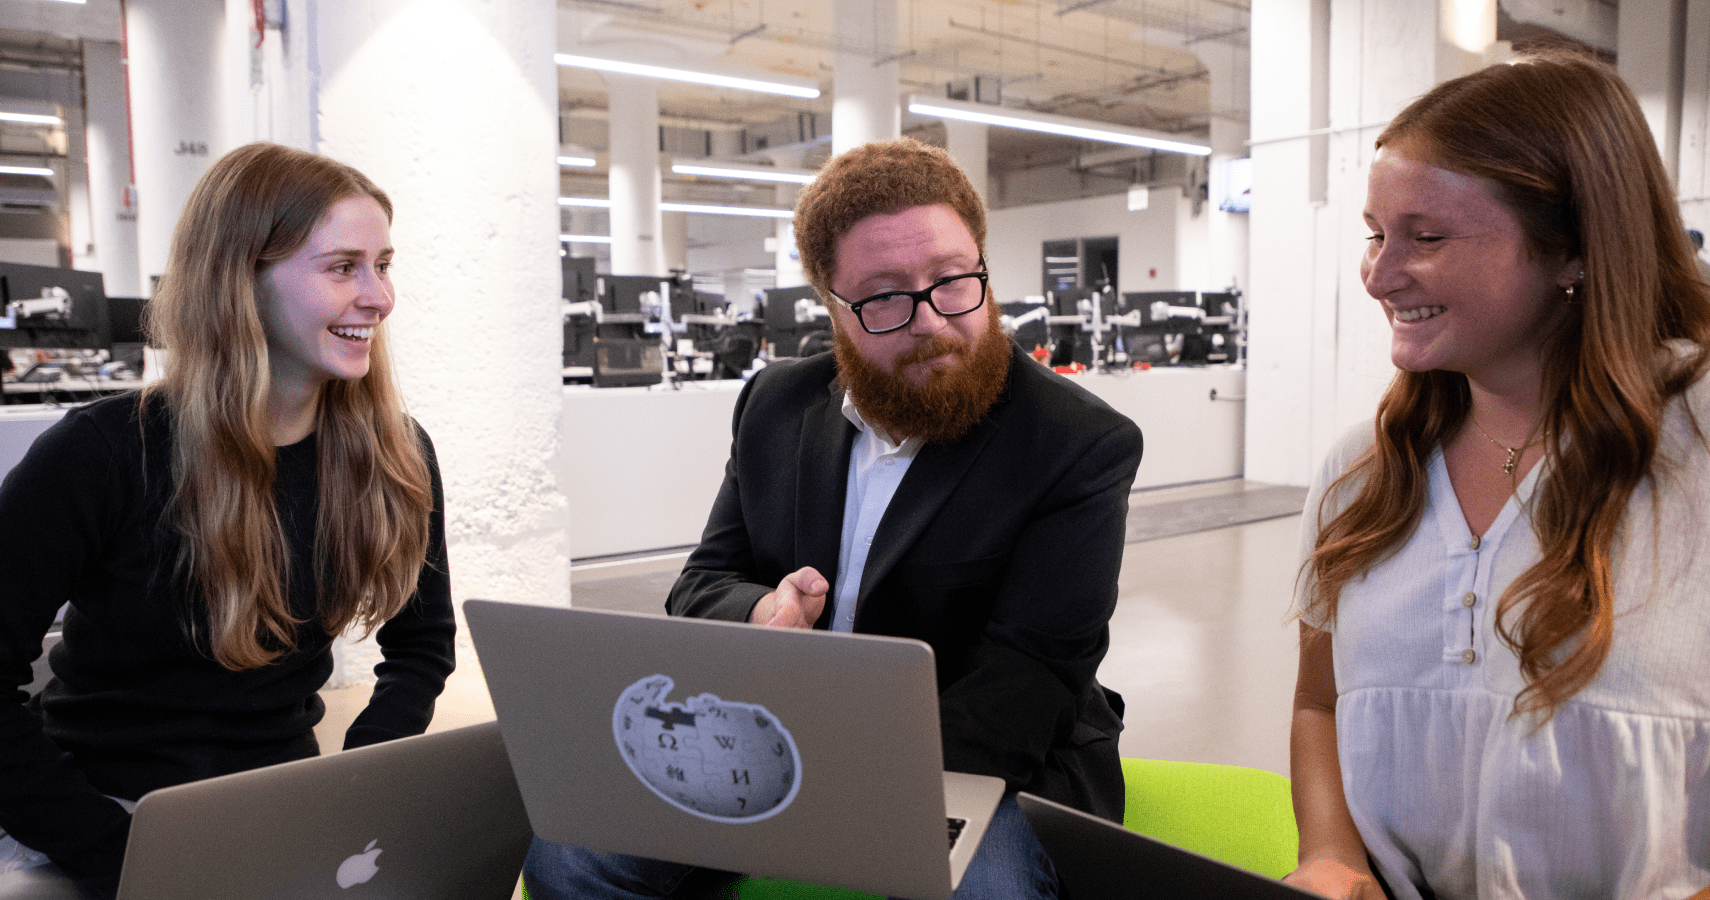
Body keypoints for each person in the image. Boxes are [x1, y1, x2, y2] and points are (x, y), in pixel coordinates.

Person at [525, 138, 1143, 899]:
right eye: (884, 297)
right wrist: (763, 610)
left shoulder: (1076, 442)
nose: (932, 322)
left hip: (982, 759)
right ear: (833, 305)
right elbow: (700, 585)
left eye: (953, 281)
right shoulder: (775, 405)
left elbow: (1028, 680)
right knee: (566, 855)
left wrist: (826, 779)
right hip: (774, 732)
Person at [1286, 52, 1710, 900]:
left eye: (1427, 237)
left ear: (1574, 251)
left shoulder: (1696, 441)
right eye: (1376, 233)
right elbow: (1320, 703)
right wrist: (1331, 853)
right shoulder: (1359, 474)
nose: (1379, 274)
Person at [0, 142, 455, 899]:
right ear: (240, 279)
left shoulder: (395, 451)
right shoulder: (104, 454)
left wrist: (364, 783)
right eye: (343, 267)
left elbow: (422, 647)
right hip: (97, 815)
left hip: (279, 811)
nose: (379, 297)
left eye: (384, 264)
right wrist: (116, 855)